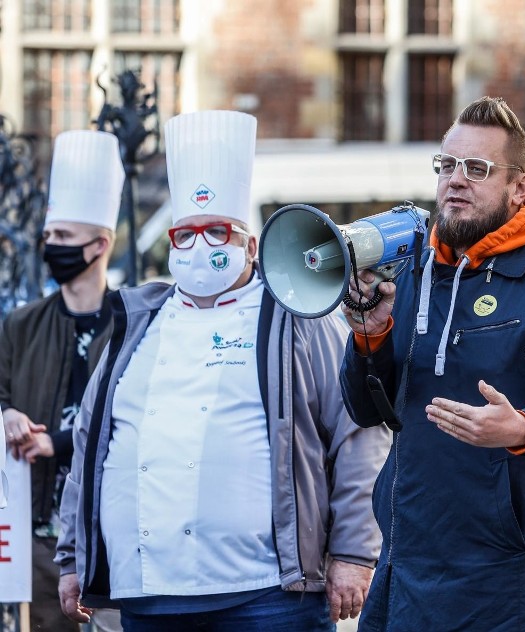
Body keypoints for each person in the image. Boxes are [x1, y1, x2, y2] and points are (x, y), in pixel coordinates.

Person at [54, 110, 391, 630]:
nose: (198, 246)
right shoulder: (135, 323)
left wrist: (353, 552)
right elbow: (91, 446)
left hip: (268, 596)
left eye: (217, 231)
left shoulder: (296, 313)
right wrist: (76, 558)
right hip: (148, 593)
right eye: (184, 235)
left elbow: (357, 433)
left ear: (250, 245)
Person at [339, 96, 525, 631]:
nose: (456, 180)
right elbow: (365, 409)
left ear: (519, 187)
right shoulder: (413, 270)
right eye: (447, 166)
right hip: (407, 567)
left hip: (511, 579)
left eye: (477, 168)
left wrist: (524, 427)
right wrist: (369, 339)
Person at [0, 130, 124, 632]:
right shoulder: (21, 324)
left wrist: (58, 441)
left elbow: (131, 419)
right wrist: (6, 413)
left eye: (65, 238)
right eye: (50, 237)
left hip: (109, 533)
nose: (52, 247)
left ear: (100, 244)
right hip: (39, 534)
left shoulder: (133, 324)